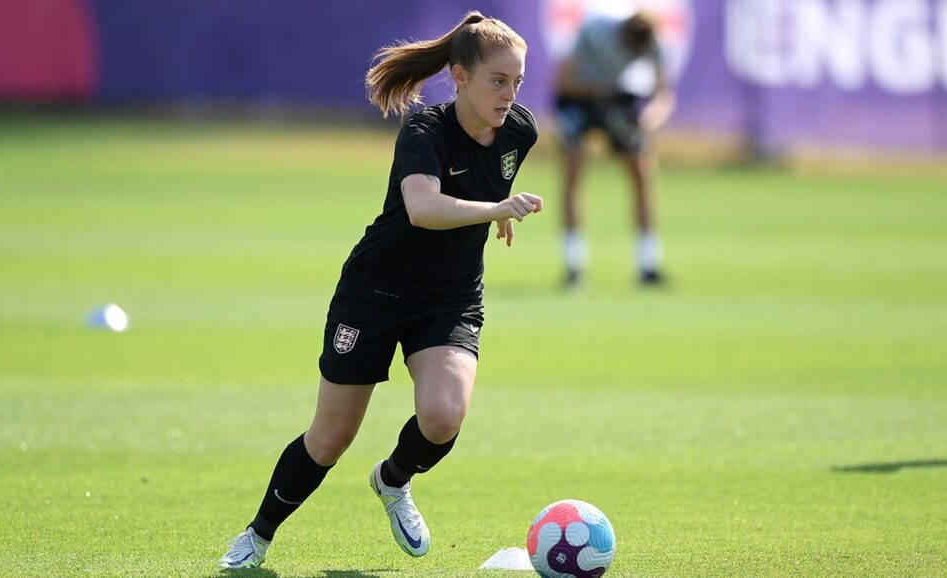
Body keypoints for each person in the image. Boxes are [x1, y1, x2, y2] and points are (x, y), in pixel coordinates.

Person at [218, 11, 540, 569]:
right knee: (330, 438)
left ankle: (393, 481)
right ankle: (258, 535)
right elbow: (421, 208)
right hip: (375, 292)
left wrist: (497, 213)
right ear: (460, 76)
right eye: (497, 80)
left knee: (443, 416)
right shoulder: (424, 131)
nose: (509, 93)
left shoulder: (520, 130)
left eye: (516, 81)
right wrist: (494, 208)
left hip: (450, 298)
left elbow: (489, 177)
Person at [554, 10, 675, 287]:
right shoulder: (596, 30)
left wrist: (651, 119)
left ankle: (649, 265)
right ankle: (574, 266)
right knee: (573, 173)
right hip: (580, 97)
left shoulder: (654, 42)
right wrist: (600, 93)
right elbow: (563, 79)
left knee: (643, 174)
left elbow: (663, 94)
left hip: (618, 100)